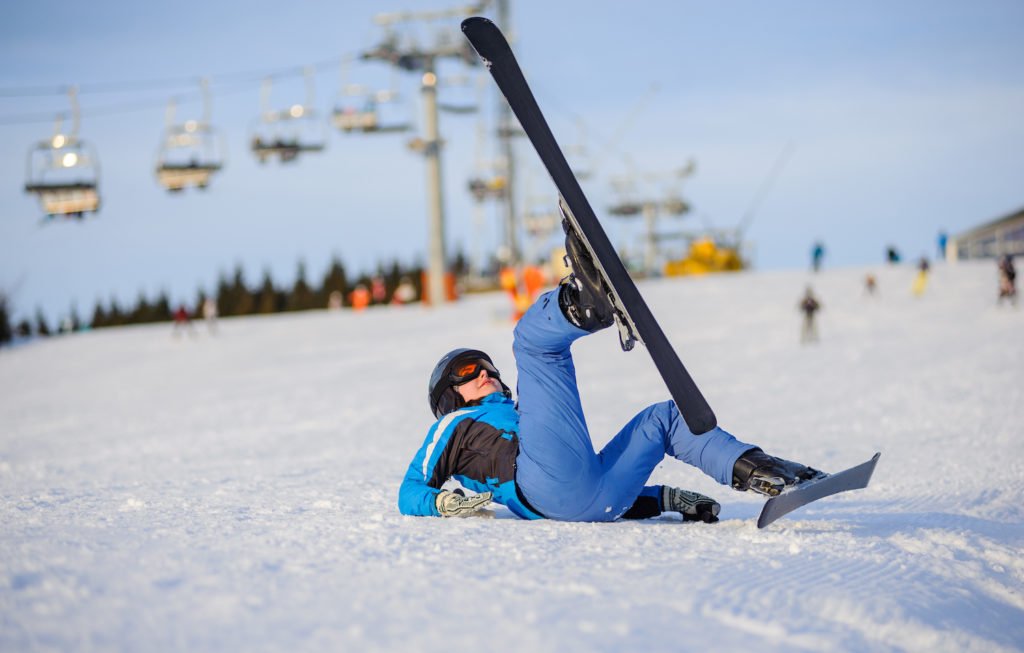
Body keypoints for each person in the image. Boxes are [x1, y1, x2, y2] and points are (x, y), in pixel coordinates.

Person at [398, 225, 823, 522]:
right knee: (532, 343)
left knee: (666, 419)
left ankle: (757, 469)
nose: (486, 372)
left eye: (488, 366)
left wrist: (665, 499)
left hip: (597, 500)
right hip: (540, 488)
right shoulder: (455, 425)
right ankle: (581, 305)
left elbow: (584, 489)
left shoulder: (521, 415)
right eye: (468, 371)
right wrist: (441, 504)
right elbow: (410, 490)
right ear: (449, 397)